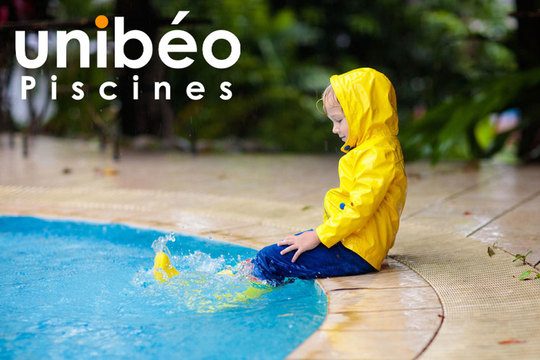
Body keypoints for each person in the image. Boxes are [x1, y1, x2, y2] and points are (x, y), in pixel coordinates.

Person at [249, 67, 408, 286]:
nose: (334, 129)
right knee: (282, 248)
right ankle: (253, 273)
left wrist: (318, 236)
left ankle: (246, 297)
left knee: (269, 259)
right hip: (355, 243)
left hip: (357, 252)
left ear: (363, 113)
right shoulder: (376, 148)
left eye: (339, 120)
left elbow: (359, 209)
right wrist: (318, 235)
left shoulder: (377, 154)